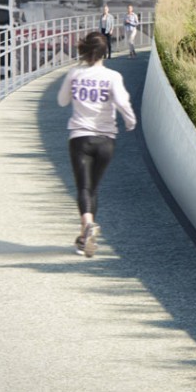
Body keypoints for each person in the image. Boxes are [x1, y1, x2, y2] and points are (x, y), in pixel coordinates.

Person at [57, 31, 136, 257]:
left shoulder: (75, 73)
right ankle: (84, 238)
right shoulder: (113, 76)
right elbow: (122, 102)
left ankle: (88, 226)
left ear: (83, 50)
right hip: (106, 140)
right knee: (93, 188)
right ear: (104, 52)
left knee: (83, 186)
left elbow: (62, 101)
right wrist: (131, 122)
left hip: (80, 137)